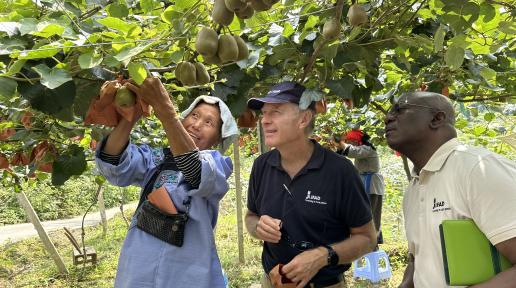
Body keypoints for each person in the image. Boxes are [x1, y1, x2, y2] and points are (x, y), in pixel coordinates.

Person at [95, 77, 238, 288]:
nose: (197, 125)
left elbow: (194, 168)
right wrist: (131, 116)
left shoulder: (217, 164)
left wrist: (164, 109)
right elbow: (113, 163)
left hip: (186, 274)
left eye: (209, 123)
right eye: (195, 115)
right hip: (138, 269)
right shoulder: (156, 159)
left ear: (218, 139)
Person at [244, 81, 377, 288]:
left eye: (275, 112)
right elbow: (251, 216)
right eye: (264, 113)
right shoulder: (261, 165)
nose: (264, 120)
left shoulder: (340, 171)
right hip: (273, 282)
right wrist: (258, 227)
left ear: (304, 119)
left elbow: (367, 239)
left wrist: (323, 256)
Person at [384, 91, 516, 287]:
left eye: (400, 109)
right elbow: (418, 258)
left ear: (437, 119)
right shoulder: (415, 186)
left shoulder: (477, 169)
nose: (387, 118)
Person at [336, 129, 385, 247]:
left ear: (357, 141)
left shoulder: (368, 149)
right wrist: (338, 145)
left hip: (372, 185)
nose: (350, 143)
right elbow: (341, 155)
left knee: (372, 213)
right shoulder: (361, 149)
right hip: (363, 183)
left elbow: (352, 152)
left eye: (352, 141)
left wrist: (341, 142)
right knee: (363, 212)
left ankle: (374, 240)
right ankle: (366, 239)